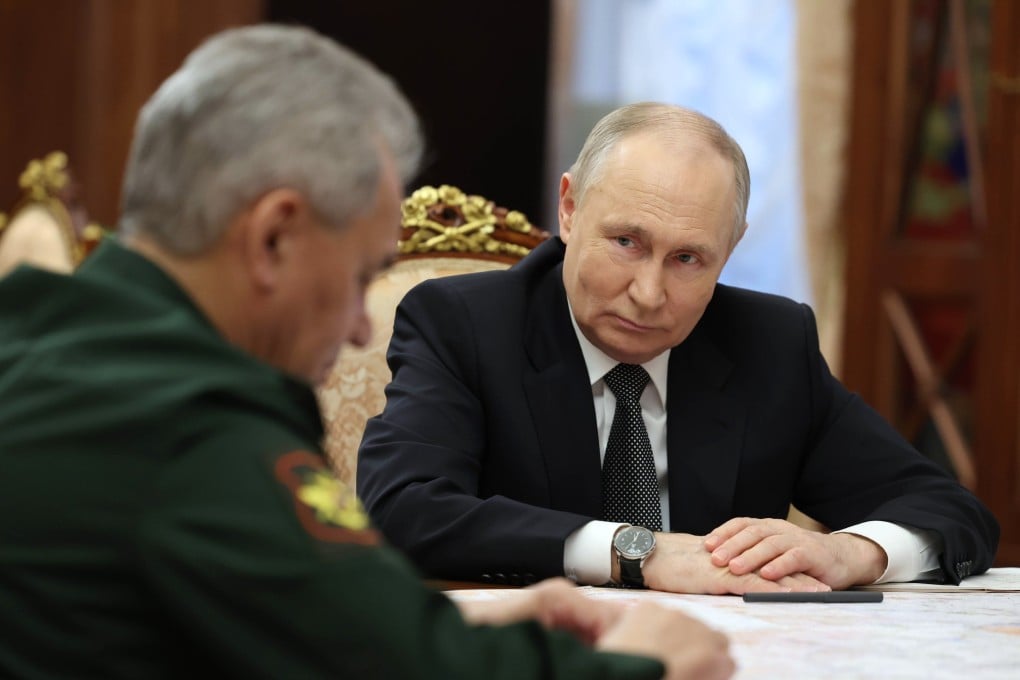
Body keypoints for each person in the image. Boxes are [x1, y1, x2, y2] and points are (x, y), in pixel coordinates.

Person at [0, 27, 734, 680]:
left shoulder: (43, 339)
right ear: (274, 237)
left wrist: (449, 622)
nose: (359, 327)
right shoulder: (189, 431)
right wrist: (642, 662)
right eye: (359, 277)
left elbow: (288, 614)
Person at [357, 102, 1000, 594]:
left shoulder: (769, 343)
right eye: (627, 242)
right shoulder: (465, 324)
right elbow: (402, 508)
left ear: (732, 247)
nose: (647, 292)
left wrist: (852, 552)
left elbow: (950, 511)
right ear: (570, 208)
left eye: (688, 258)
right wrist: (639, 552)